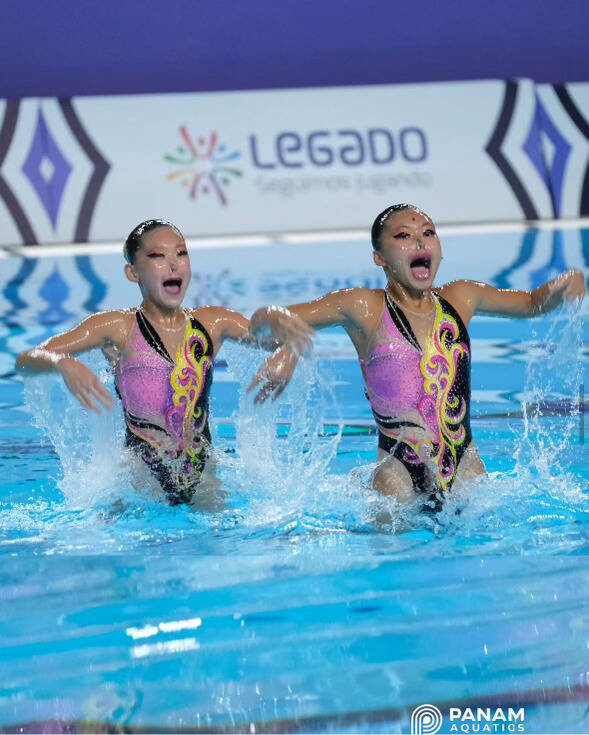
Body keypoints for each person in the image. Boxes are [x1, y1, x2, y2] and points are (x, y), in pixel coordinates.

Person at [250, 203, 586, 505]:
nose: (420, 242)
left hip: (463, 462)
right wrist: (289, 344)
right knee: (392, 502)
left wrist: (561, 287)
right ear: (379, 257)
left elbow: (530, 304)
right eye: (404, 236)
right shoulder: (364, 307)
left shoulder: (461, 297)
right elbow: (264, 319)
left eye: (428, 233)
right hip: (398, 469)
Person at [16, 219, 312, 506]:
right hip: (138, 478)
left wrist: (286, 350)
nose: (174, 263)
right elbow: (27, 359)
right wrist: (62, 363)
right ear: (133, 273)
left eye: (181, 253)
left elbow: (279, 336)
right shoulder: (118, 327)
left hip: (203, 472)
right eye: (158, 255)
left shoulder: (212, 323)